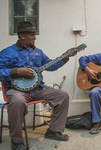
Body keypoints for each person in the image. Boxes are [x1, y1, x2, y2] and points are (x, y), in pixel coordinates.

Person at [0, 21, 77, 150]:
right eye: (32, 34)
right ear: (22, 36)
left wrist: (65, 56)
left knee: (62, 96)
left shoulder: (38, 52)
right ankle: (17, 141)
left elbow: (51, 66)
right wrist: (17, 71)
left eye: (35, 34)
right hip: (16, 91)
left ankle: (53, 130)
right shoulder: (8, 52)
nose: (35, 37)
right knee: (18, 102)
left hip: (38, 89)